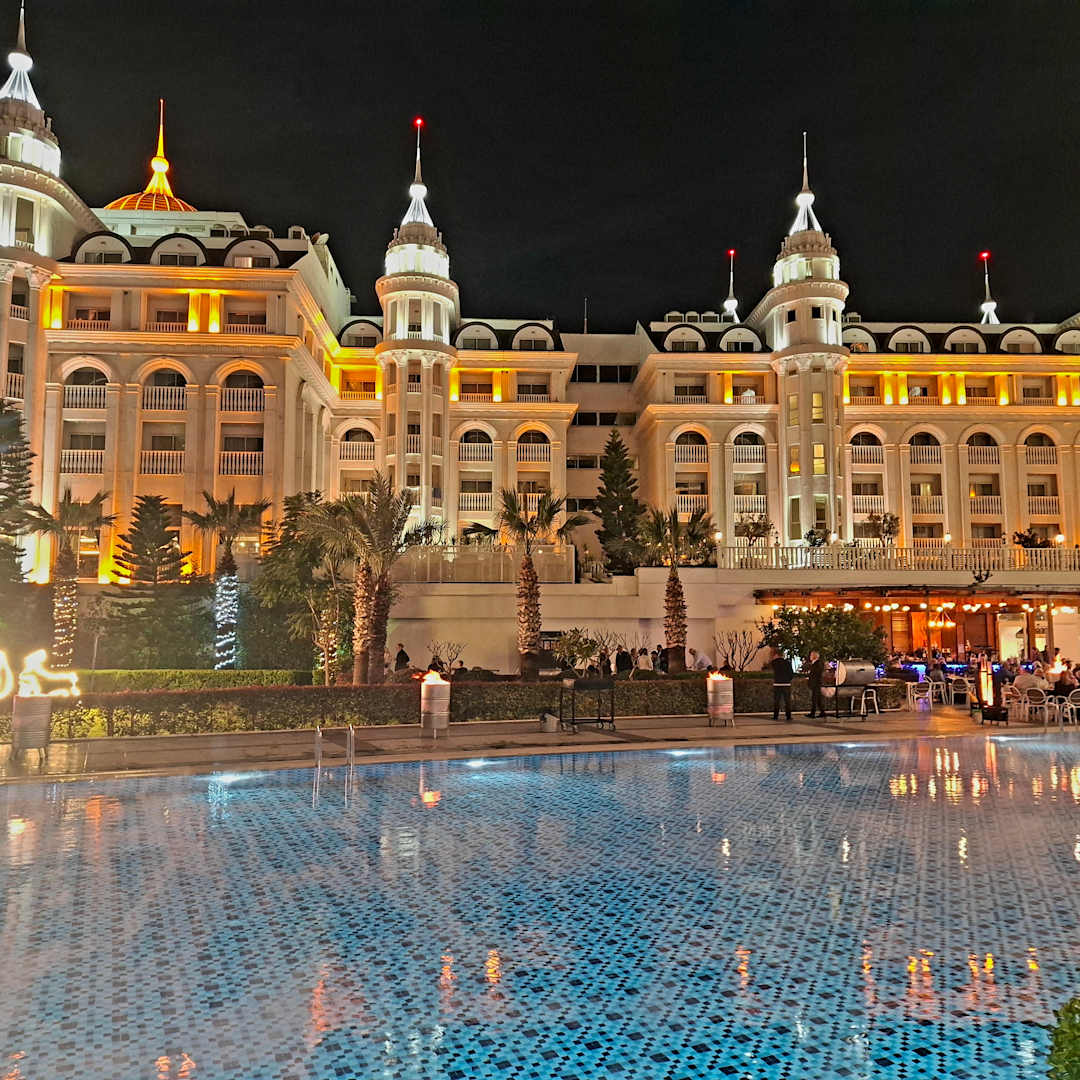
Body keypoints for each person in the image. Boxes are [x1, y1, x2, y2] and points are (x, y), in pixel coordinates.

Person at [770, 648, 794, 722]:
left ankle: (775, 716)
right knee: (787, 701)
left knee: (777, 701)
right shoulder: (787, 662)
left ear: (776, 655)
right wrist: (788, 679)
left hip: (777, 684)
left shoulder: (774, 663)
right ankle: (788, 716)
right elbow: (791, 673)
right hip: (786, 684)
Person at [805, 649, 825, 718]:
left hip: (816, 684)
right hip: (816, 684)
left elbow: (817, 674)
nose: (810, 656)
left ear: (814, 656)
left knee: (814, 699)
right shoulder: (815, 663)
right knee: (818, 699)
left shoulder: (817, 663)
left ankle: (813, 713)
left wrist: (811, 678)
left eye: (811, 655)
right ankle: (822, 712)